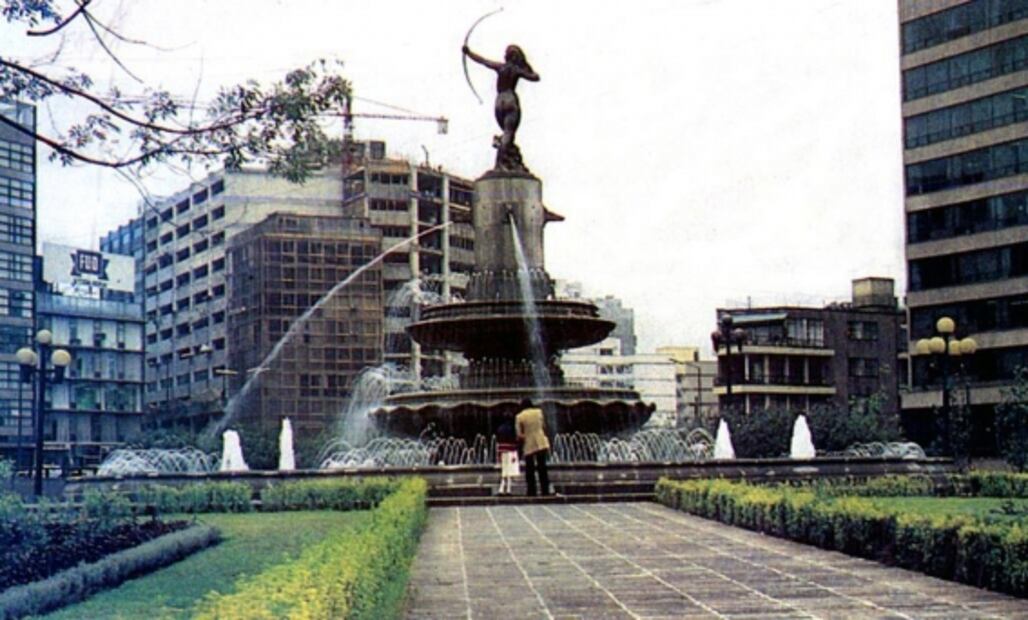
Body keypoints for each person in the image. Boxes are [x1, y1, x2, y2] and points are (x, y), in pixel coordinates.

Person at [461, 43, 539, 173]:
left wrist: (468, 53)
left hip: (499, 102)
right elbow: (535, 77)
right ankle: (500, 163)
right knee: (509, 132)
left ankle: (504, 151)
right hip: (510, 99)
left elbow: (483, 61)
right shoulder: (517, 70)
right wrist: (525, 64)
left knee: (506, 134)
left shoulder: (500, 67)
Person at [515, 398, 552, 496]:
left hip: (529, 443)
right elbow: (543, 426)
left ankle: (532, 491)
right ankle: (545, 490)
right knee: (542, 467)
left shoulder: (520, 416)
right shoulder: (539, 412)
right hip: (541, 441)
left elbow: (519, 434)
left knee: (530, 468)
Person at [495, 414, 519, 496]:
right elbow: (515, 440)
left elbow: (498, 441)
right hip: (511, 450)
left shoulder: (500, 428)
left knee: (504, 470)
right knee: (510, 470)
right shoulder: (512, 428)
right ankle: (508, 489)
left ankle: (501, 489)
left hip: (502, 450)